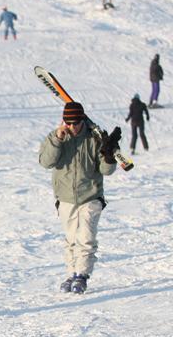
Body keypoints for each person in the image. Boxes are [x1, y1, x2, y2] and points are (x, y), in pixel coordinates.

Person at [38, 101, 119, 294]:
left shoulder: (95, 139)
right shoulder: (56, 137)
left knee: (86, 237)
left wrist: (108, 155)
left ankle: (81, 275)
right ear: (63, 122)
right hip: (65, 197)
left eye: (76, 123)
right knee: (71, 238)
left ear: (82, 120)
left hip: (91, 195)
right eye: (69, 123)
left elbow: (106, 171)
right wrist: (57, 140)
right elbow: (45, 162)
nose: (73, 127)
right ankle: (71, 273)